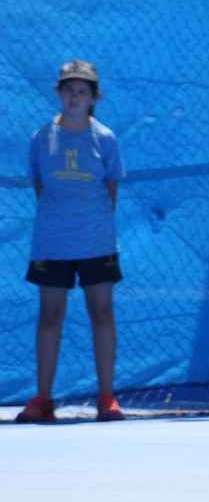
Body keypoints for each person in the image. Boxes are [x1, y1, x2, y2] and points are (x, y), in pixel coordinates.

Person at [15, 59, 128, 423]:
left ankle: (106, 398)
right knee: (50, 316)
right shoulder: (41, 138)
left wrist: (91, 226)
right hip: (52, 243)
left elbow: (110, 189)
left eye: (82, 91)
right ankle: (43, 400)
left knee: (102, 313)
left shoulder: (105, 138)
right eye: (68, 90)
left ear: (94, 97)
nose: (74, 97)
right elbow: (40, 185)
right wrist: (61, 223)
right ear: (58, 93)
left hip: (97, 242)